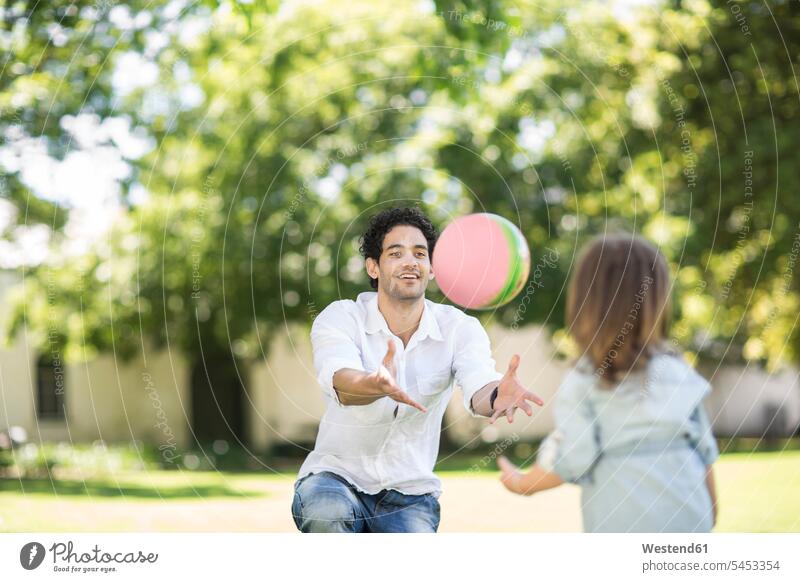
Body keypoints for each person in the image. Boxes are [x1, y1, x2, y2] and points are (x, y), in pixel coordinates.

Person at [291, 207, 543, 533]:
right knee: (327, 511)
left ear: (431, 268)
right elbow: (340, 379)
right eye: (396, 253)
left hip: (410, 494)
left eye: (420, 254)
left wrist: (496, 395)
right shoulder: (341, 317)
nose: (411, 262)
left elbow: (478, 384)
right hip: (336, 478)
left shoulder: (459, 328)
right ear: (373, 267)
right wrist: (374, 383)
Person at [497, 234, 719, 533]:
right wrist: (709, 513)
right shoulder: (677, 370)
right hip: (689, 514)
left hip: (620, 517)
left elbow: (574, 457)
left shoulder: (585, 380)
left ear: (586, 304)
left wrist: (524, 483)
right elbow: (703, 450)